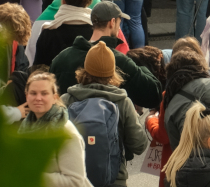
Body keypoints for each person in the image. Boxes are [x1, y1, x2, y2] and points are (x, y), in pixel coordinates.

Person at [61, 40, 149, 187]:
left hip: (76, 179)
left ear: (85, 68)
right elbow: (139, 145)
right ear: (112, 71)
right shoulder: (122, 102)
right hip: (114, 179)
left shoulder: (68, 99)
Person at [7, 67, 92, 187]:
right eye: (33, 93)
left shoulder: (66, 133)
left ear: (54, 98)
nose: (38, 98)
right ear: (26, 96)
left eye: (44, 93)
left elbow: (75, 181)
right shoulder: (26, 127)